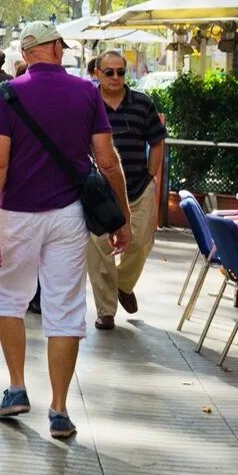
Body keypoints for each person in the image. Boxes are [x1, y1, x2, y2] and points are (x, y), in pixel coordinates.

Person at [0, 20, 131, 441]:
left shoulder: (8, 94)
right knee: (64, 307)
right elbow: (107, 160)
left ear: (27, 54)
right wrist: (122, 217)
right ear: (57, 50)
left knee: (8, 298)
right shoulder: (87, 91)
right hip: (69, 215)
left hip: (16, 214)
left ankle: (16, 387)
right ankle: (60, 410)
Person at [88, 49, 167, 330]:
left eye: (120, 71)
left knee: (142, 241)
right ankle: (106, 311)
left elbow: (157, 141)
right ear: (97, 73)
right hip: (99, 191)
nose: (115, 77)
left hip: (138, 186)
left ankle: (123, 284)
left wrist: (150, 174)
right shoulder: (88, 102)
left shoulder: (142, 103)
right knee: (99, 250)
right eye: (108, 72)